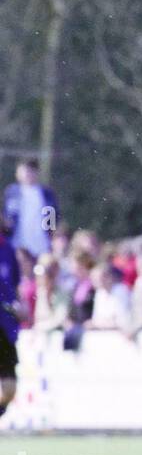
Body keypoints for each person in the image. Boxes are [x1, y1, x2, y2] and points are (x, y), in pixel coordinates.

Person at [4, 158, 59, 258]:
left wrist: (51, 235)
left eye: (30, 171)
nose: (27, 174)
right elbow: (7, 217)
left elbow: (52, 217)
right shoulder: (12, 192)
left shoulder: (46, 193)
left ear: (37, 172)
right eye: (24, 171)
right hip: (17, 245)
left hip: (41, 245)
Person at [0, 230, 20, 421]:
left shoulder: (7, 248)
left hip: (4, 328)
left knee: (9, 389)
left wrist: (18, 307)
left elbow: (14, 285)